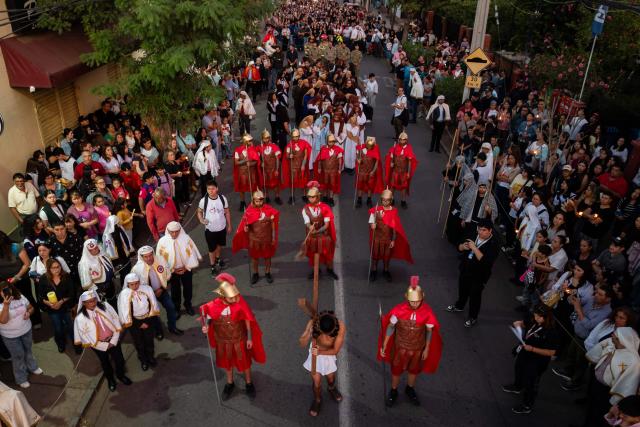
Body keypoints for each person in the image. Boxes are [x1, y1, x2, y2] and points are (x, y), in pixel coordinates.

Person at [378, 276, 443, 407]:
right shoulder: (398, 310)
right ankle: (394, 390)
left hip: (417, 349)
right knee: (396, 369)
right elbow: (391, 327)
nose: (414, 304)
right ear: (406, 298)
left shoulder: (427, 312)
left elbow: (429, 331)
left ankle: (410, 388)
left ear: (422, 298)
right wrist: (384, 344)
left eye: (417, 301)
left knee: (413, 370)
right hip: (400, 347)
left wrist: (427, 348)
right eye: (412, 301)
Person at [200, 273, 266, 401]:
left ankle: (249, 383)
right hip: (223, 342)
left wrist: (250, 338)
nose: (235, 299)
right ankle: (230, 383)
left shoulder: (239, 302)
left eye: (235, 296)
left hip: (239, 340)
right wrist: (206, 327)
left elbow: (248, 319)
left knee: (245, 362)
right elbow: (208, 317)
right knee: (227, 363)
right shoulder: (214, 305)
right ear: (223, 296)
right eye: (232, 298)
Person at [502, 304, 560, 414]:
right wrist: (518, 325)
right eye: (535, 315)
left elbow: (551, 352)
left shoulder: (552, 332)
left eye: (539, 316)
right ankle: (517, 386)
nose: (535, 317)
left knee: (531, 383)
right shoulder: (534, 320)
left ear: (546, 318)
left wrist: (533, 349)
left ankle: (527, 405)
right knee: (518, 369)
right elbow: (522, 323)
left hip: (537, 361)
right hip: (524, 353)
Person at [74, 289, 132, 392]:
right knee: (105, 363)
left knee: (120, 360)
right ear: (83, 303)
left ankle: (120, 375)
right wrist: (104, 346)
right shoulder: (81, 318)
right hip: (98, 346)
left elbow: (115, 321)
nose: (93, 303)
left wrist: (113, 340)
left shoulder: (105, 306)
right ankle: (110, 380)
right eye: (89, 301)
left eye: (94, 300)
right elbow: (87, 338)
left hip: (113, 340)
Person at [447, 218, 500, 327]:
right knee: (462, 289)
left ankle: (473, 317)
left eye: (484, 230)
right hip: (465, 269)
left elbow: (486, 261)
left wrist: (474, 248)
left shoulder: (494, 244)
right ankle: (459, 306)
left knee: (475, 296)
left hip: (480, 275)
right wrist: (462, 247)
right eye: (479, 229)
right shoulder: (472, 234)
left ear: (490, 231)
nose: (480, 232)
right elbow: (458, 245)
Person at [585, 327, 640, 425]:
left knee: (599, 414)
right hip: (597, 384)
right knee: (591, 407)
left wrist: (615, 401)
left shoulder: (633, 360)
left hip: (607, 392)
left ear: (621, 339)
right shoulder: (613, 346)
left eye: (614, 335)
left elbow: (627, 383)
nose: (611, 336)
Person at [298, 310, 346, 417]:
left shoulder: (341, 326)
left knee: (331, 378)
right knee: (317, 383)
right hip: (315, 354)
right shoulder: (313, 323)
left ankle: (331, 388)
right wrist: (308, 333)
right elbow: (301, 343)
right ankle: (317, 400)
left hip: (327, 354)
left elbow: (335, 350)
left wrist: (320, 352)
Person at [131, 246, 182, 337]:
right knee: (153, 314)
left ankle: (172, 327)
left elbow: (168, 275)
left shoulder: (160, 260)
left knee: (171, 307)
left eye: (150, 255)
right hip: (147, 297)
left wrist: (161, 289)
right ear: (141, 257)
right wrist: (150, 294)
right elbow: (135, 286)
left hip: (162, 291)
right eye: (146, 256)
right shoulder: (136, 270)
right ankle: (158, 331)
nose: (149, 258)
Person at [0, 281, 42, 389]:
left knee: (28, 350)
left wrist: (29, 313)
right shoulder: (2, 304)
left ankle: (32, 367)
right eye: (3, 290)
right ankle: (21, 378)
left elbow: (31, 308)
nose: (6, 292)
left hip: (26, 330)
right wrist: (6, 305)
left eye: (7, 288)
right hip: (10, 336)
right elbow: (3, 320)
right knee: (18, 356)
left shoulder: (20, 296)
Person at [232, 190, 279, 284]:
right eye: (257, 201)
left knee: (267, 257)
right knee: (255, 257)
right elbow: (246, 226)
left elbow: (273, 225)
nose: (259, 203)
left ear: (263, 200)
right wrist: (245, 228)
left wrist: (273, 238)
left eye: (260, 200)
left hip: (267, 238)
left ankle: (267, 272)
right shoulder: (249, 211)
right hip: (254, 239)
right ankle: (255, 273)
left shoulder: (269, 210)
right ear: (253, 200)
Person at [156, 221, 201, 316]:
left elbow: (191, 254)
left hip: (186, 269)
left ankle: (188, 305)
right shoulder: (162, 242)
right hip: (172, 272)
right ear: (168, 230)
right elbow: (160, 260)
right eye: (172, 232)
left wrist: (187, 267)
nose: (174, 234)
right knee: (175, 291)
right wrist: (172, 270)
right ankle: (177, 308)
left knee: (188, 288)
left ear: (180, 229)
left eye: (177, 231)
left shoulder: (186, 238)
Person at [368, 189, 413, 282]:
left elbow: (395, 227)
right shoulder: (376, 210)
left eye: (387, 200)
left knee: (387, 256)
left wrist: (393, 240)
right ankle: (374, 270)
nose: (385, 202)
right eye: (384, 200)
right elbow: (371, 221)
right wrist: (373, 224)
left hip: (387, 239)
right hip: (377, 238)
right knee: (375, 255)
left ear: (391, 200)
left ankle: (386, 270)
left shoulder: (394, 211)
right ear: (381, 200)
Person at [118, 273, 160, 371]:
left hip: (148, 319)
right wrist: (139, 324)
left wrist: (148, 322)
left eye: (137, 283)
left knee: (149, 340)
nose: (135, 286)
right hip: (134, 324)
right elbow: (126, 313)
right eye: (132, 284)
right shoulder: (124, 295)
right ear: (127, 284)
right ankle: (143, 360)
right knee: (139, 342)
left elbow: (152, 305)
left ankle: (150, 356)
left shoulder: (147, 289)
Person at [38, 258, 78, 353]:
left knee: (72, 327)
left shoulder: (66, 276)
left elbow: (72, 293)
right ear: (48, 269)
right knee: (58, 328)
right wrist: (48, 303)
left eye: (58, 267)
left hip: (66, 307)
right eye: (53, 268)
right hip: (53, 309)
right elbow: (40, 296)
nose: (57, 270)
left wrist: (61, 301)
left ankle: (76, 344)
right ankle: (60, 343)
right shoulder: (44, 279)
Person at [302, 182, 338, 280]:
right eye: (309, 197)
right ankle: (316, 270)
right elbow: (307, 222)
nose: (310, 199)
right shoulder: (305, 209)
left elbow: (326, 225)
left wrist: (317, 231)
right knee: (313, 253)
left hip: (324, 235)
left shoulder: (325, 208)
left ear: (318, 197)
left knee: (327, 253)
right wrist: (310, 227)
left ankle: (330, 269)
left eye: (313, 197)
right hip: (312, 236)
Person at [197, 180, 231, 275]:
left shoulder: (223, 199)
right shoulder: (204, 201)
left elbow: (227, 212)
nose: (210, 191)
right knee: (211, 249)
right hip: (210, 230)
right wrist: (201, 220)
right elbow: (199, 211)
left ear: (217, 188)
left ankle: (218, 259)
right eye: (208, 189)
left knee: (219, 245)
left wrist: (229, 225)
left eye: (213, 188)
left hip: (222, 228)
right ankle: (212, 266)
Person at [78, 239, 117, 309]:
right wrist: (96, 292)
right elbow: (86, 283)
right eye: (91, 250)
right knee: (104, 308)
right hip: (99, 290)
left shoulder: (102, 254)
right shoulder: (84, 263)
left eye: (96, 248)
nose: (95, 250)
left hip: (110, 286)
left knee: (114, 305)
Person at [384, 132, 418, 209]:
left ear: (406, 140)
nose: (402, 141)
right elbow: (390, 157)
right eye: (400, 140)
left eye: (403, 140)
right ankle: (391, 199)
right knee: (392, 186)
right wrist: (391, 162)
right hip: (395, 171)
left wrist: (408, 172)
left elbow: (409, 162)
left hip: (403, 172)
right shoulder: (395, 148)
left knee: (403, 187)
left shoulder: (409, 149)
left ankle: (403, 201)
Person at [282, 128, 312, 204]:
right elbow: (287, 155)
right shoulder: (289, 145)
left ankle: (304, 195)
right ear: (291, 137)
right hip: (293, 166)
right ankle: (292, 196)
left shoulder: (304, 143)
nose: (296, 138)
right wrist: (289, 156)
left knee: (304, 181)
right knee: (293, 182)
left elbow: (305, 155)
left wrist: (303, 164)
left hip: (302, 165)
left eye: (297, 136)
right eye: (294, 137)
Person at [314, 133, 344, 207]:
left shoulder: (338, 149)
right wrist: (319, 167)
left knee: (332, 184)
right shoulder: (323, 149)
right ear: (327, 141)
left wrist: (340, 169)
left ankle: (331, 198)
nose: (332, 143)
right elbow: (320, 159)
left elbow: (340, 160)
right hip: (325, 171)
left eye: (333, 141)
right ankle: (324, 197)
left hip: (333, 171)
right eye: (330, 141)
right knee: (325, 184)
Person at [233, 134, 261, 211]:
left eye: (251, 140)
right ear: (245, 141)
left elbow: (256, 161)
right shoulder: (238, 150)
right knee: (242, 188)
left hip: (251, 171)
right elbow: (236, 163)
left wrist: (251, 164)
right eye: (249, 141)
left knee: (253, 187)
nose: (251, 142)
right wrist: (244, 161)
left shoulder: (253, 149)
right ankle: (242, 202)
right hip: (242, 172)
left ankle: (254, 202)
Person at [355, 136, 384, 208]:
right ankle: (359, 199)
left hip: (370, 172)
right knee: (360, 186)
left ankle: (369, 199)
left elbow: (377, 162)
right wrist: (358, 159)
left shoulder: (375, 151)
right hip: (362, 171)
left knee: (370, 187)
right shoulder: (361, 149)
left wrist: (373, 171)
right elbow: (358, 157)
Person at [257, 129, 283, 204]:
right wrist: (260, 162)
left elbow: (277, 159)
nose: (266, 139)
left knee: (275, 184)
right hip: (264, 169)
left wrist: (277, 169)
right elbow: (257, 157)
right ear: (262, 139)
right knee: (265, 184)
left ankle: (277, 196)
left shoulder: (274, 146)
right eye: (265, 138)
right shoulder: (259, 147)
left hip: (273, 168)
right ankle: (267, 196)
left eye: (268, 138)